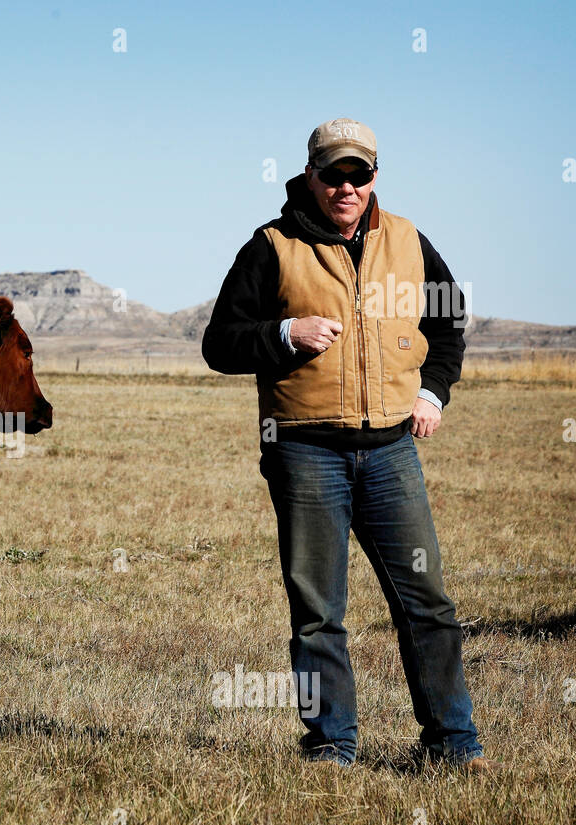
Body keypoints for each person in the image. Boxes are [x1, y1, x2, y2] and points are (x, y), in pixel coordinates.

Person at [202, 117, 497, 772]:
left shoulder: (408, 241)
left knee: (427, 601)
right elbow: (219, 343)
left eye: (358, 174)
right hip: (305, 450)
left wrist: (434, 391)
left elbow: (449, 317)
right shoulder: (272, 247)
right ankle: (331, 747)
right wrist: (285, 334)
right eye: (333, 173)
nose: (345, 186)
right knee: (317, 613)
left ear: (373, 178)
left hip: (392, 449)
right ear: (310, 175)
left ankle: (454, 744)